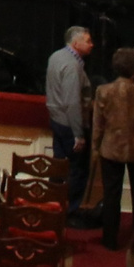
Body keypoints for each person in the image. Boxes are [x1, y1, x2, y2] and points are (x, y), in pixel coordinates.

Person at [92, 47, 134, 249]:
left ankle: (110, 239)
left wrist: (96, 147)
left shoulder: (104, 91)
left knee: (111, 195)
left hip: (112, 148)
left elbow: (98, 125)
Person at [47, 24, 95, 210]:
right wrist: (79, 134)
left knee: (58, 167)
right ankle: (69, 212)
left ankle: (52, 206)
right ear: (76, 43)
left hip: (56, 120)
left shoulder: (56, 56)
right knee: (77, 171)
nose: (92, 45)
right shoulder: (72, 66)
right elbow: (72, 102)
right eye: (88, 41)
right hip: (69, 124)